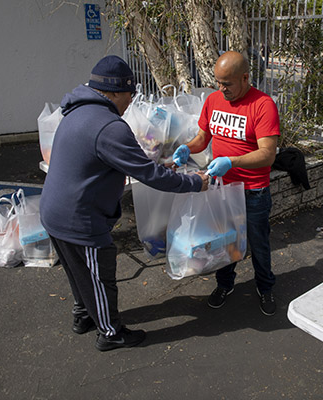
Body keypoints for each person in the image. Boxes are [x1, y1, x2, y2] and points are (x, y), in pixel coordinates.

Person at [40, 55, 209, 352]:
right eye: (129, 95)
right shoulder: (109, 126)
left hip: (54, 211)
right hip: (80, 219)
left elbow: (120, 164)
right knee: (100, 275)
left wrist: (158, 169)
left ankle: (83, 316)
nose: (130, 102)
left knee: (77, 271)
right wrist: (195, 182)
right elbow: (146, 174)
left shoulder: (76, 113)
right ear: (115, 92)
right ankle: (110, 332)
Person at [172, 51, 280, 316]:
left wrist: (232, 161)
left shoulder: (263, 105)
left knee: (259, 245)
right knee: (223, 242)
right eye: (218, 82)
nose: (222, 89)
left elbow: (268, 153)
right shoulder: (213, 100)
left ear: (245, 78)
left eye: (227, 84)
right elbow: (202, 138)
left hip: (253, 191)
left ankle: (265, 288)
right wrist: (186, 148)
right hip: (221, 189)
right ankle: (224, 285)